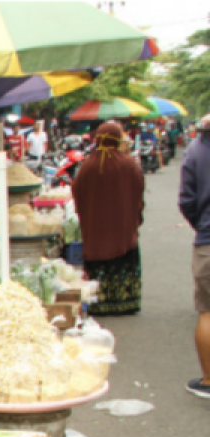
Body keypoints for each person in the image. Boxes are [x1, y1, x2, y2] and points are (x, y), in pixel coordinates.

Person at [73, 122, 145, 315]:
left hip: (96, 230)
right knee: (123, 262)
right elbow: (138, 191)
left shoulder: (87, 165)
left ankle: (99, 302)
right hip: (122, 229)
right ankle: (126, 301)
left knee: (99, 266)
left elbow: (77, 193)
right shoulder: (129, 164)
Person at [179, 113, 210, 399]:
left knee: (208, 312)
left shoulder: (196, 150)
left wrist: (201, 224)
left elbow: (186, 200)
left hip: (208, 241)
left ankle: (209, 380)